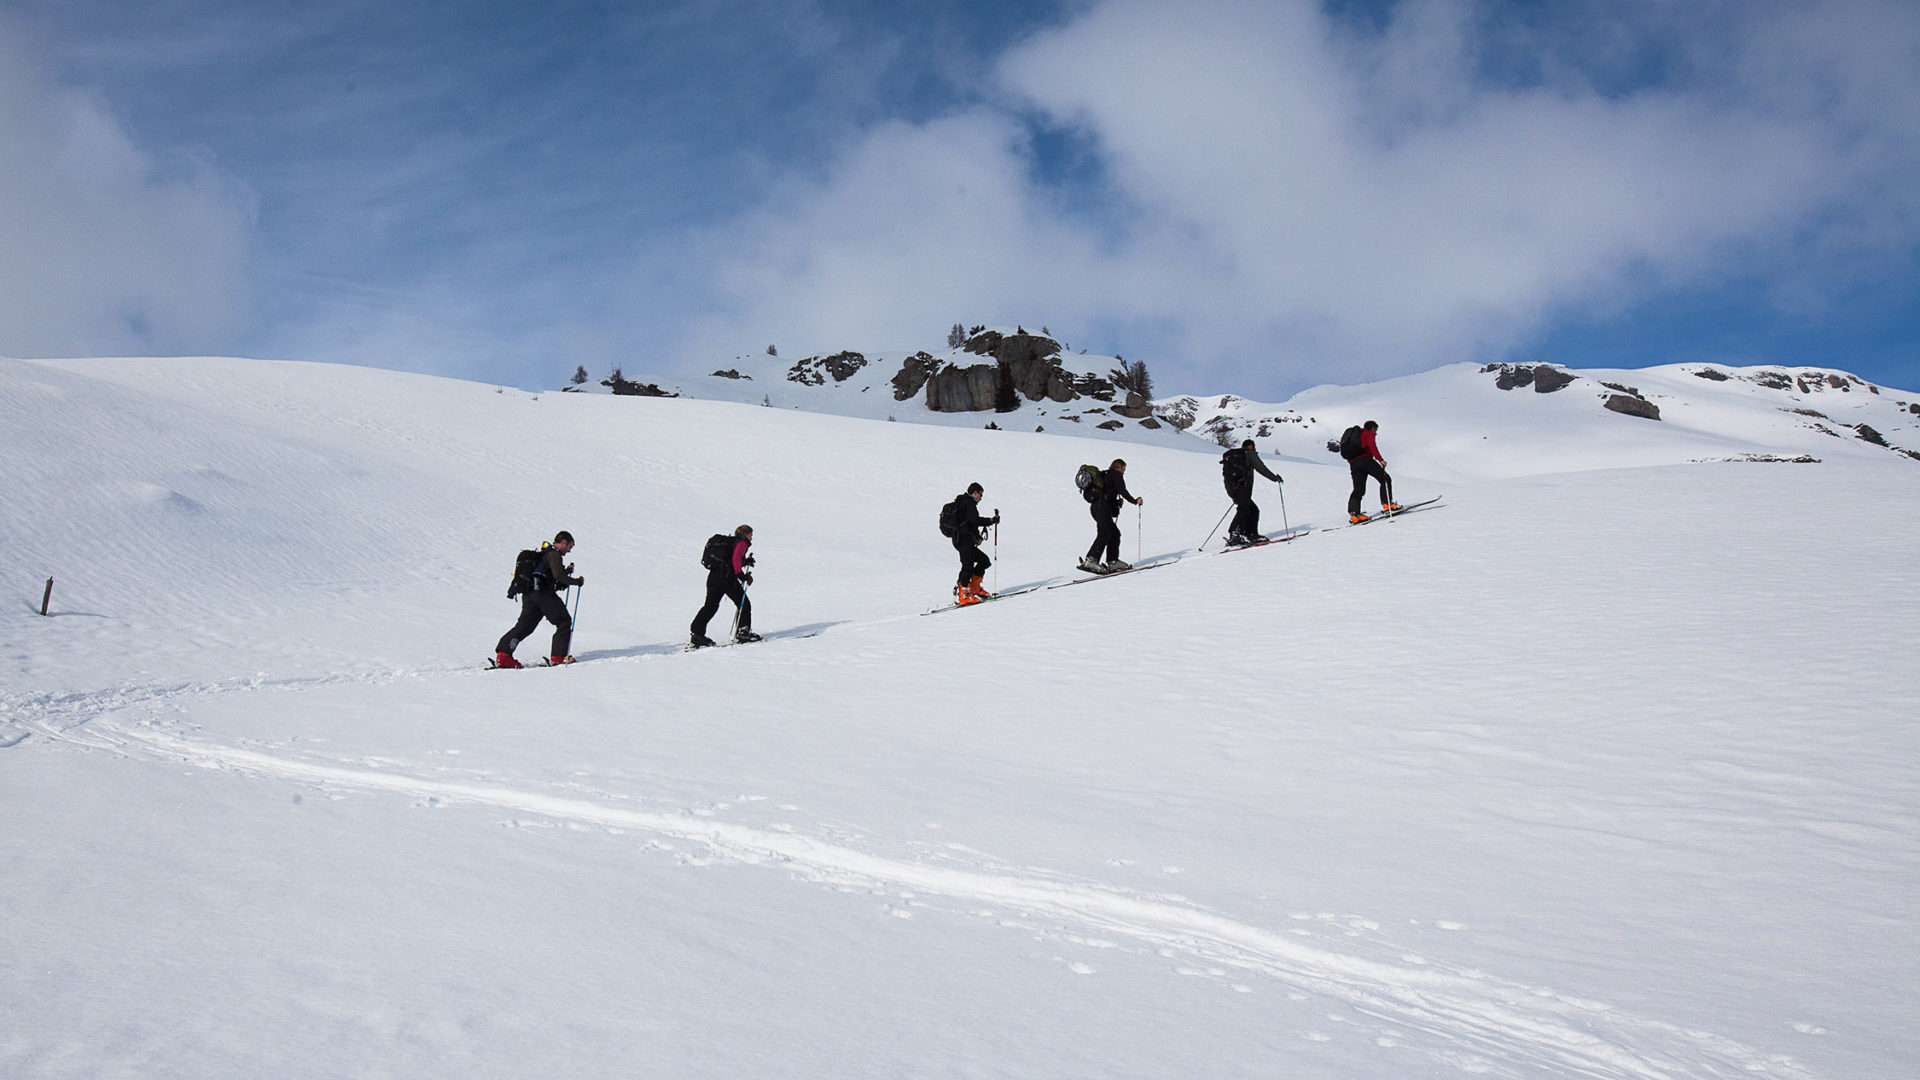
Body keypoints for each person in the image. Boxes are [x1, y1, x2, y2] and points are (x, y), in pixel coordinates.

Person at [495, 531, 584, 667]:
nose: (569, 550)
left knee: (525, 625)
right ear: (563, 542)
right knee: (564, 621)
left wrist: (566, 572)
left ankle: (504, 655)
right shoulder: (554, 554)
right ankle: (559, 656)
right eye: (570, 546)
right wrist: (576, 581)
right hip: (543, 593)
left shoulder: (543, 554)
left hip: (529, 593)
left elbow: (552, 576)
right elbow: (558, 576)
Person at [691, 524, 759, 647]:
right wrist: (742, 576)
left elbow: (730, 560)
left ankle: (697, 633)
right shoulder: (741, 543)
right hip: (726, 578)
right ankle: (743, 632)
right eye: (751, 535)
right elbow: (735, 560)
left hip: (714, 576)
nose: (751, 538)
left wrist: (746, 562)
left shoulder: (731, 542)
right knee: (743, 603)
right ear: (745, 534)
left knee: (710, 606)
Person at [1079, 458, 1144, 574]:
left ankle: (1113, 561)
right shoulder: (1115, 475)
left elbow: (1109, 493)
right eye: (1123, 468)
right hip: (1102, 507)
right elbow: (1122, 490)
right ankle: (1091, 560)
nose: (1124, 471)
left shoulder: (1106, 475)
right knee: (1105, 533)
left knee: (1114, 533)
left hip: (1097, 508)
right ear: (1118, 466)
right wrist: (1135, 501)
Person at [944, 483, 1001, 605]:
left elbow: (970, 521)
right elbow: (974, 520)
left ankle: (974, 587)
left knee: (984, 560)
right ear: (975, 493)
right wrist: (991, 521)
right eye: (980, 494)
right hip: (963, 539)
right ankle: (963, 594)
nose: (981, 498)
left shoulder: (964, 502)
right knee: (968, 565)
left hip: (964, 539)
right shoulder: (968, 503)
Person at [1221, 438, 1283, 545]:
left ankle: (1248, 534)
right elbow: (1261, 468)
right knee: (1245, 509)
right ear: (1251, 446)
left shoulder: (1233, 457)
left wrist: (1232, 493)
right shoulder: (1249, 454)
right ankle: (1237, 534)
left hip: (1232, 488)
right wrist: (1274, 478)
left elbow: (1226, 477)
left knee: (1252, 510)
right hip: (1243, 487)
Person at [1346, 420, 1401, 523]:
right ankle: (1388, 505)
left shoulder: (1357, 436)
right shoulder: (1368, 433)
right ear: (1372, 428)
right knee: (1385, 478)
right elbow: (1372, 446)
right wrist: (1380, 459)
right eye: (1376, 430)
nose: (1376, 433)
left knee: (1358, 489)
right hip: (1365, 460)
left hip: (1354, 464)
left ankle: (1355, 515)